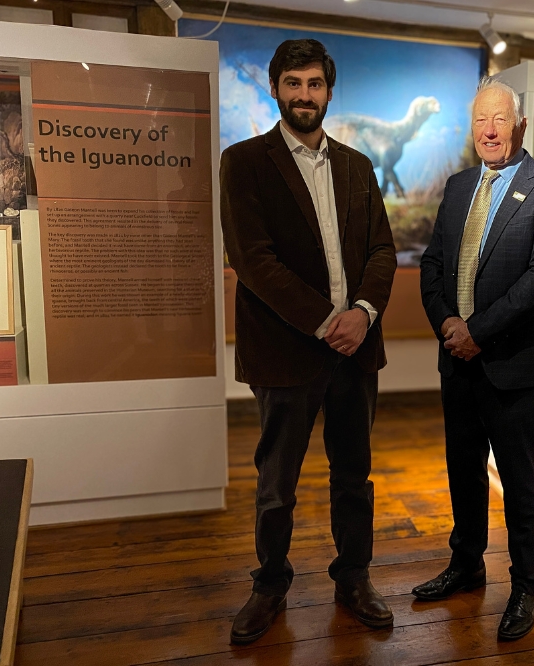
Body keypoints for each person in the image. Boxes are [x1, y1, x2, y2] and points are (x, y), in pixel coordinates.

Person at [220, 39, 397, 644]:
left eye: (314, 83)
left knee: (354, 473)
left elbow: (381, 249)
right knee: (277, 482)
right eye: (292, 83)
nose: (304, 94)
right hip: (286, 349)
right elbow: (254, 259)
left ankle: (354, 577)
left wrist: (364, 312)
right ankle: (269, 583)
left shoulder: (357, 166)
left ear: (328, 90)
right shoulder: (243, 162)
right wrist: (329, 321)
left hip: (356, 350)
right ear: (276, 89)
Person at [415, 77, 534, 641]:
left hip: (513, 364)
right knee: (462, 471)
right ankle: (466, 565)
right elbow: (432, 264)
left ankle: (526, 586)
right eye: (481, 120)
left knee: (518, 480)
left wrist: (477, 331)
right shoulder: (458, 186)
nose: (489, 131)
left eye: (500, 120)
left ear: (520, 125)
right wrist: (446, 326)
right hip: (457, 359)